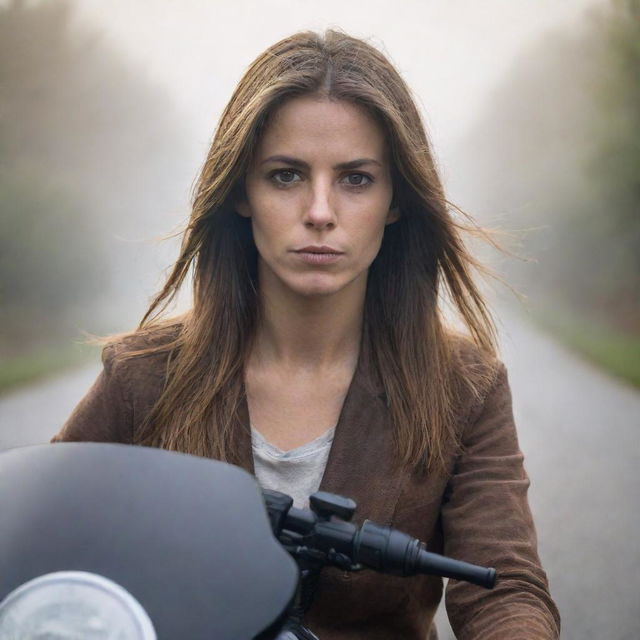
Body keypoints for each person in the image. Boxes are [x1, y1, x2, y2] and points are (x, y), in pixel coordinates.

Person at [52, 29, 560, 639]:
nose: (320, 212)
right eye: (287, 175)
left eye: (356, 179)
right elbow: (40, 542)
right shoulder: (140, 373)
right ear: (242, 191)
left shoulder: (464, 388)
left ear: (396, 201)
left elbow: (505, 588)